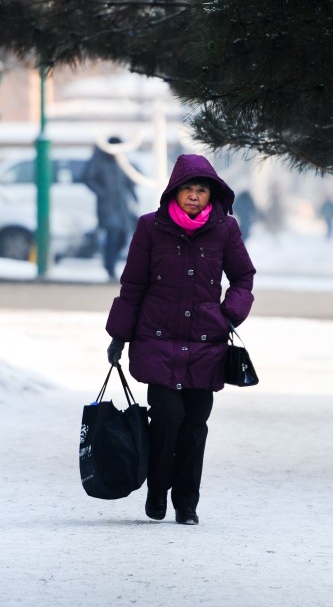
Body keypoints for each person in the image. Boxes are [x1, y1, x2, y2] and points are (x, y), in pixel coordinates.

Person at [104, 154, 255, 525]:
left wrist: (229, 313)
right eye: (188, 188)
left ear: (211, 195)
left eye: (201, 190)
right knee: (167, 418)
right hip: (157, 341)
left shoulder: (225, 230)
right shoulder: (150, 228)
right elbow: (133, 285)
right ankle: (157, 490)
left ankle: (186, 503)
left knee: (195, 427)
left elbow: (243, 279)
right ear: (175, 190)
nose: (194, 196)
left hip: (206, 343)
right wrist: (118, 336)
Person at [80, 137, 138, 279]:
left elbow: (129, 180)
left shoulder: (122, 161)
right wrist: (102, 193)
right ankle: (110, 267)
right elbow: (87, 178)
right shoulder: (98, 161)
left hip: (122, 205)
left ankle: (109, 261)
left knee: (123, 236)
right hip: (107, 205)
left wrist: (133, 196)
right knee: (112, 234)